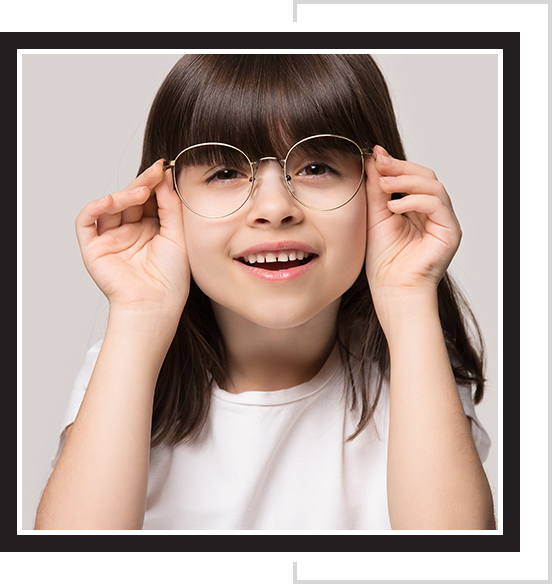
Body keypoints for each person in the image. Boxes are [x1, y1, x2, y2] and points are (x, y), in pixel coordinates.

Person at [35, 54, 495, 530]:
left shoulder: (414, 366)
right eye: (225, 173)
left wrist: (409, 296)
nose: (275, 209)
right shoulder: (128, 368)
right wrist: (138, 313)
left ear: (382, 188)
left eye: (317, 166)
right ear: (163, 200)